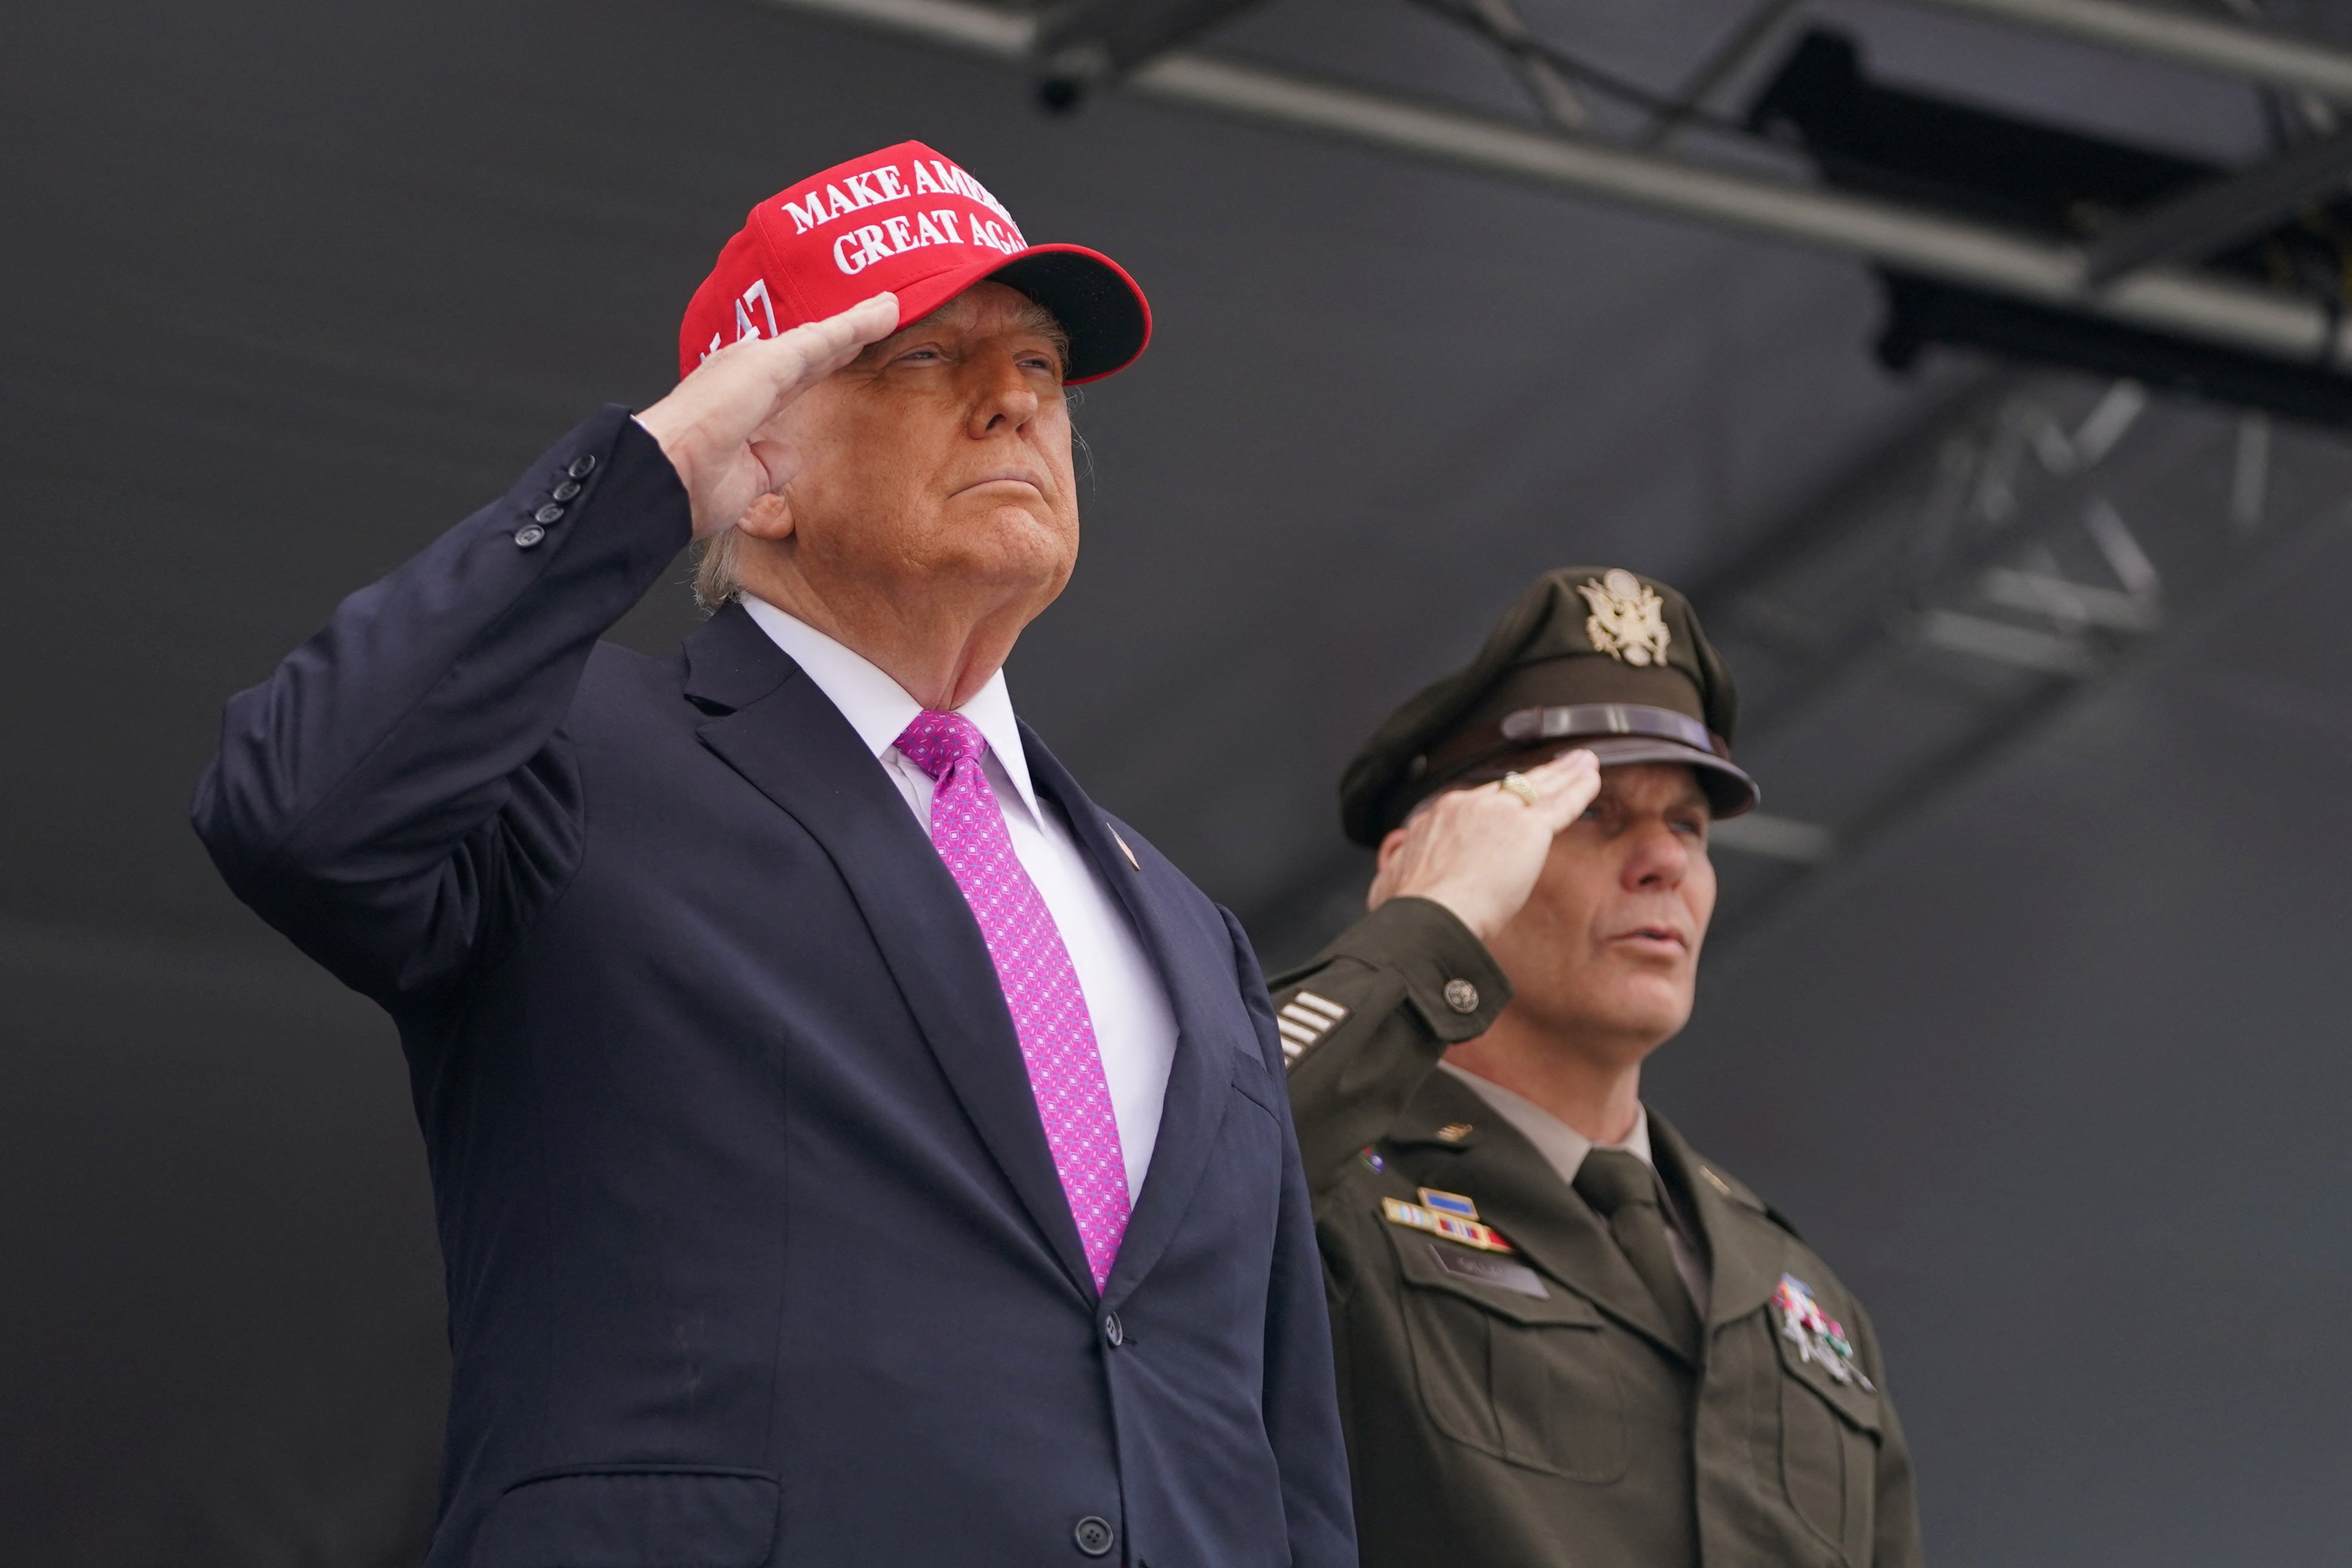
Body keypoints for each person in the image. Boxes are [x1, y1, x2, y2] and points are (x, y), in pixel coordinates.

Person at [193, 142, 1353, 1568]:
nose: (1011, 400)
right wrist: (652, 472)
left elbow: (1279, 1446)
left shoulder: (1180, 920)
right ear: (764, 468)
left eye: (1042, 368)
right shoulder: (568, 758)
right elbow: (297, 806)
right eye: (927, 356)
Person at [1275, 567, 1922, 1567]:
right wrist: (1426, 928)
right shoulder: (1325, 1185)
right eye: (1594, 815)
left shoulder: (1801, 1296)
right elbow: (1174, 1163)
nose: (1665, 862)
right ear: (1432, 858)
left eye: (1689, 827)